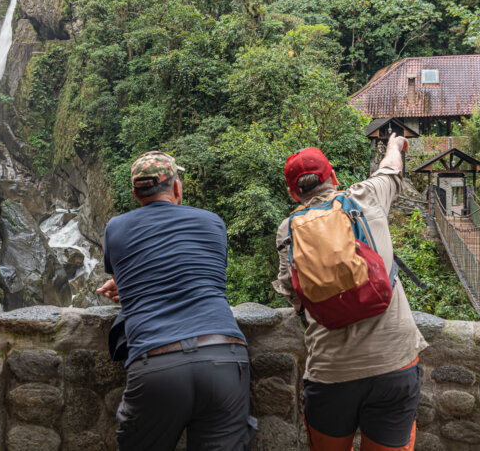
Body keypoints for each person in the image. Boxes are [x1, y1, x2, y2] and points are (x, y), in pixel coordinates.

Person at [273, 135, 428, 451]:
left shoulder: (288, 230)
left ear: (292, 193)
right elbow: (390, 169)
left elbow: (293, 293)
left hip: (330, 372)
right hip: (394, 362)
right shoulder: (365, 196)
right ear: (333, 176)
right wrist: (394, 145)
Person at [97, 150, 256, 451]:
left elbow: (135, 263)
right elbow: (199, 273)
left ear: (135, 193)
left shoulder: (116, 228)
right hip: (224, 355)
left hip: (156, 361)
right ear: (177, 187)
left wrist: (127, 284)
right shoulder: (212, 222)